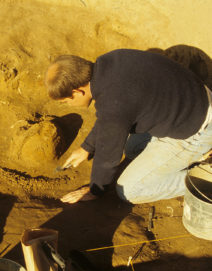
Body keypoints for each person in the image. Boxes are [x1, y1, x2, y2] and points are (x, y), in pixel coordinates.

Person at [45, 49, 212, 204]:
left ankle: (204, 178)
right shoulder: (110, 61)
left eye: (67, 102)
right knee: (132, 149)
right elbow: (110, 119)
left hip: (197, 130)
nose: (69, 105)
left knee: (129, 191)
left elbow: (108, 155)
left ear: (77, 92)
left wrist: (95, 190)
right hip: (194, 101)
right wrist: (86, 148)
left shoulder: (115, 104)